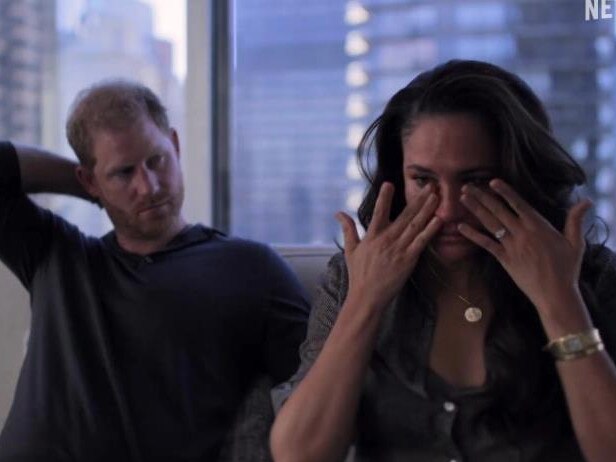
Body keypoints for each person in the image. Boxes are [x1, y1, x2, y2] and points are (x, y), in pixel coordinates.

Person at [269, 60, 616, 462]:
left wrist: (559, 301)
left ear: (521, 175)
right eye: (423, 180)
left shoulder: (588, 275)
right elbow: (299, 454)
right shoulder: (354, 279)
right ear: (398, 179)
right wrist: (366, 302)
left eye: (475, 181)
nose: (448, 210)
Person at [0, 80, 309, 461]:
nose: (148, 187)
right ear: (89, 180)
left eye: (157, 160)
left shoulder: (251, 268)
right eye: (124, 173)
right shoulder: (57, 254)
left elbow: (323, 389)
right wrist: (93, 186)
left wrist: (109, 183)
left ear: (176, 147)